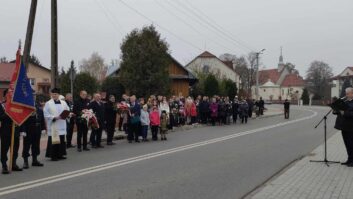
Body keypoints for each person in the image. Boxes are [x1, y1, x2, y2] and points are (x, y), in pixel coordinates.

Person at [44, 88, 70, 161]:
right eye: (53, 94)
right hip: (54, 124)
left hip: (62, 124)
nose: (54, 95)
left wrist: (69, 114)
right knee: (54, 140)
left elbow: (67, 110)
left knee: (61, 140)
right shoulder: (48, 103)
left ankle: (60, 154)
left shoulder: (63, 102)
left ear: (59, 95)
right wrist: (54, 117)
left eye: (56, 94)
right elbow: (45, 114)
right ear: (51, 94)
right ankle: (53, 156)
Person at [0, 89, 23, 174]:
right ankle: (4, 166)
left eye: (11, 94)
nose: (10, 96)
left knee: (15, 148)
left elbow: (20, 117)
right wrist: (7, 112)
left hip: (15, 130)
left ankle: (13, 164)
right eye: (8, 94)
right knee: (4, 149)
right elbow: (0, 117)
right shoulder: (1, 105)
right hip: (5, 131)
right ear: (5, 96)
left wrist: (21, 130)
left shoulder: (16, 106)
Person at [22, 92, 45, 169]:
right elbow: (23, 120)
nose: (33, 97)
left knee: (36, 145)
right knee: (27, 145)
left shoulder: (38, 106)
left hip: (37, 128)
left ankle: (34, 160)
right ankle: (25, 161)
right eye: (32, 95)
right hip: (29, 128)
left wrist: (43, 128)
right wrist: (23, 130)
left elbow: (42, 118)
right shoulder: (26, 106)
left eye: (34, 96)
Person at [334, 88, 353, 166]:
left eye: (348, 93)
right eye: (346, 93)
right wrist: (335, 111)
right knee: (347, 144)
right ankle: (349, 159)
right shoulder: (344, 102)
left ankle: (352, 161)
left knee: (351, 144)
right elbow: (340, 112)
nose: (346, 95)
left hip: (351, 127)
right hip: (344, 126)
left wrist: (344, 113)